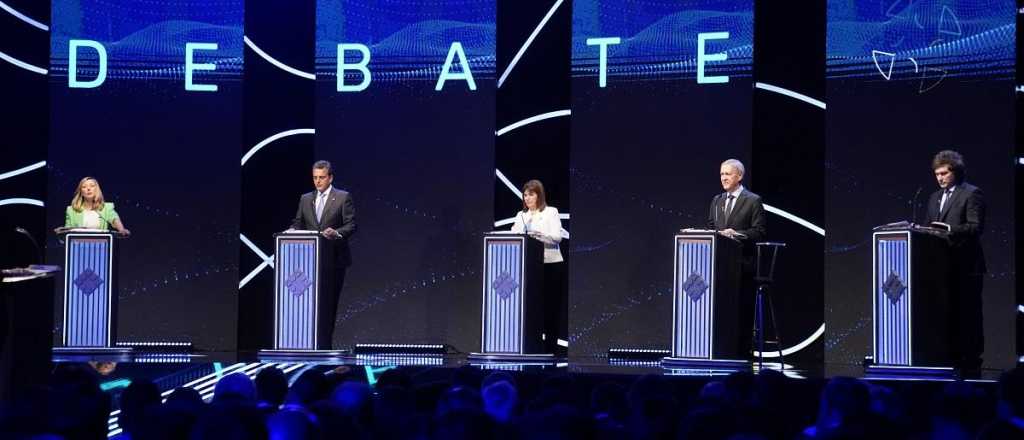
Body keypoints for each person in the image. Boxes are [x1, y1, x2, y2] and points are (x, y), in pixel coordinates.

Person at [925, 150, 985, 372]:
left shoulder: (971, 194)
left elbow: (975, 227)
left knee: (967, 313)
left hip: (966, 265)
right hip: (942, 267)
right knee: (946, 313)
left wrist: (950, 230)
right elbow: (928, 227)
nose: (940, 178)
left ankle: (971, 360)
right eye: (937, 174)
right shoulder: (934, 198)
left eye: (944, 173)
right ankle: (948, 356)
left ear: (956, 172)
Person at [289, 160, 356, 350]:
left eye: (321, 178)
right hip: (308, 262)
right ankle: (305, 345)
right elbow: (298, 222)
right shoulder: (305, 199)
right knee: (307, 306)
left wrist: (337, 233)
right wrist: (292, 230)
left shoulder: (343, 197)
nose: (317, 182)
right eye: (315, 178)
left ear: (330, 177)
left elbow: (351, 225)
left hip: (333, 261)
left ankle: (324, 347)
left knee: (327, 307)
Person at [706, 159, 766, 358]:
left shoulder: (753, 200)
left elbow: (759, 232)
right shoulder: (716, 201)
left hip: (743, 264)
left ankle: (740, 353)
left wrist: (736, 234)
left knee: (740, 311)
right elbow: (711, 228)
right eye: (721, 174)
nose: (723, 178)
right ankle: (718, 349)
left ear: (739, 176)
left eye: (728, 174)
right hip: (718, 266)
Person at [511, 180, 566, 355]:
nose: (527, 198)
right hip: (529, 269)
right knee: (532, 309)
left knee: (551, 308)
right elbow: (514, 236)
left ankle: (551, 350)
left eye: (531, 194)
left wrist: (540, 236)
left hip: (551, 265)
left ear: (539, 195)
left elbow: (557, 237)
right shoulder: (521, 215)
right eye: (525, 195)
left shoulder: (551, 212)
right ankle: (531, 347)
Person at [61, 177, 130, 235]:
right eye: (84, 187)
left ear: (97, 190)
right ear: (81, 192)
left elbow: (114, 219)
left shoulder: (106, 207)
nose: (88, 189)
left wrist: (122, 229)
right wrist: (62, 231)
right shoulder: (71, 210)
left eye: (92, 186)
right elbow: (67, 231)